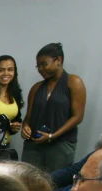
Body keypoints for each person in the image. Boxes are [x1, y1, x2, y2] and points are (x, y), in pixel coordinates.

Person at [21, 43, 86, 173]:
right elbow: (28, 118)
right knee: (28, 183)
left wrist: (52, 136)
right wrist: (25, 127)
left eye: (44, 64)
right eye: (38, 66)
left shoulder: (73, 82)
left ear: (58, 60)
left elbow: (77, 117)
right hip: (34, 145)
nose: (40, 69)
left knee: (54, 184)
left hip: (60, 146)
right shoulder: (36, 88)